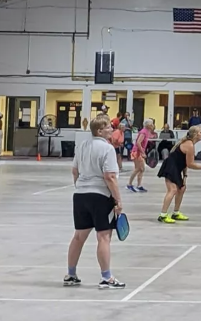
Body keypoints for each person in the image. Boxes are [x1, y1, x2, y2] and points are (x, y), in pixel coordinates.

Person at [66, 116, 126, 289]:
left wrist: (80, 186)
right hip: (100, 196)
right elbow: (110, 176)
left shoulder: (82, 146)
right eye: (108, 127)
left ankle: (71, 274)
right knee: (104, 237)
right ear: (100, 131)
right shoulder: (107, 149)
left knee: (78, 236)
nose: (111, 129)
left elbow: (75, 171)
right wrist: (118, 200)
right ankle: (107, 278)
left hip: (80, 196)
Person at [158, 124, 201, 223]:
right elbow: (191, 164)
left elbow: (184, 162)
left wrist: (185, 176)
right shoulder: (189, 145)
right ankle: (163, 215)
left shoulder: (190, 144)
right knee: (173, 190)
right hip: (170, 167)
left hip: (177, 168)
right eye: (200, 132)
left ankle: (176, 213)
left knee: (181, 188)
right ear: (195, 135)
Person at [127, 119, 155, 193]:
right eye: (151, 124)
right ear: (148, 125)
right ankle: (129, 184)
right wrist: (143, 152)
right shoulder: (144, 132)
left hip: (139, 152)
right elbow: (138, 142)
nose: (153, 125)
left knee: (142, 169)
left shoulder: (147, 131)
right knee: (138, 168)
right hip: (137, 152)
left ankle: (139, 185)